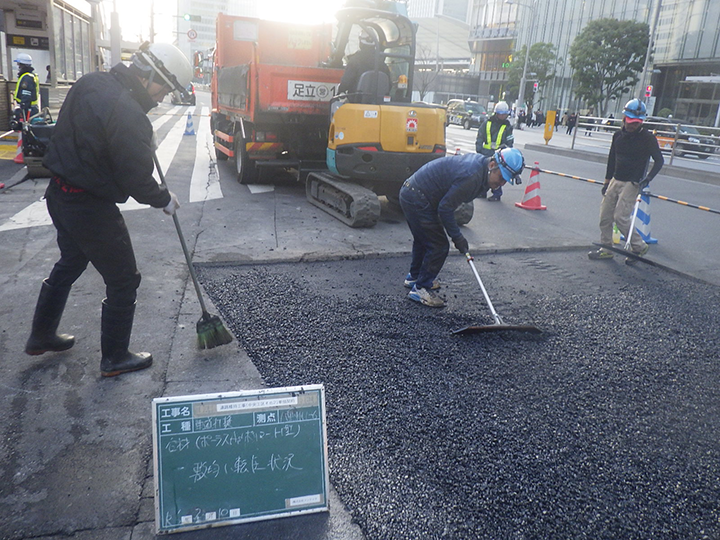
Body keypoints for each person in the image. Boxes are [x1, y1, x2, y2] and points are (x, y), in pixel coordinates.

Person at [24, 42, 192, 377]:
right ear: (151, 76)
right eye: (166, 89)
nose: (162, 98)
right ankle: (115, 357)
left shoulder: (90, 82)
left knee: (71, 260)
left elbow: (89, 138)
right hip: (89, 207)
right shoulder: (129, 114)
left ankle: (41, 335)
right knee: (123, 279)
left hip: (59, 194)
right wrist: (163, 198)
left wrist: (140, 141)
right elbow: (136, 180)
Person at [399, 147, 525, 307]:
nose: (501, 183)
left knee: (424, 238)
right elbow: (445, 208)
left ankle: (415, 278)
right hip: (416, 196)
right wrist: (458, 238)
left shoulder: (481, 168)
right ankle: (420, 288)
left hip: (414, 192)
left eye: (505, 181)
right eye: (501, 177)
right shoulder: (472, 176)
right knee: (439, 245)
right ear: (493, 164)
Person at [588, 98, 664, 264]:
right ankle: (606, 248)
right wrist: (607, 182)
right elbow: (612, 159)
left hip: (633, 181)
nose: (632, 125)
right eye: (630, 122)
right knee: (605, 215)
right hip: (616, 178)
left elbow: (659, 161)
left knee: (620, 216)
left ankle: (639, 246)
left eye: (636, 123)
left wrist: (647, 178)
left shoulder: (647, 138)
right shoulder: (618, 136)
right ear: (624, 118)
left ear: (641, 122)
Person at [338, 29, 391, 102]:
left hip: (356, 102)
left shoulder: (355, 61)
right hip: (379, 102)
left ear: (360, 42)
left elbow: (346, 82)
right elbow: (389, 85)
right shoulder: (382, 63)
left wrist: (340, 90)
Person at [475, 101, 514, 202]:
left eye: (505, 114)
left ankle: (497, 194)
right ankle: (482, 192)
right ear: (497, 113)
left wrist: (506, 152)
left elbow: (510, 141)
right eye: (502, 114)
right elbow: (480, 136)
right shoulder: (487, 123)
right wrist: (479, 149)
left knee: (497, 175)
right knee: (484, 173)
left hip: (499, 155)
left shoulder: (507, 127)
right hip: (485, 152)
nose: (503, 116)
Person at [13, 53, 40, 124]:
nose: (18, 67)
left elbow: (26, 95)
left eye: (19, 65)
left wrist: (23, 110)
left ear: (23, 65)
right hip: (31, 108)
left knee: (26, 130)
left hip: (28, 110)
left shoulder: (26, 78)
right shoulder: (30, 76)